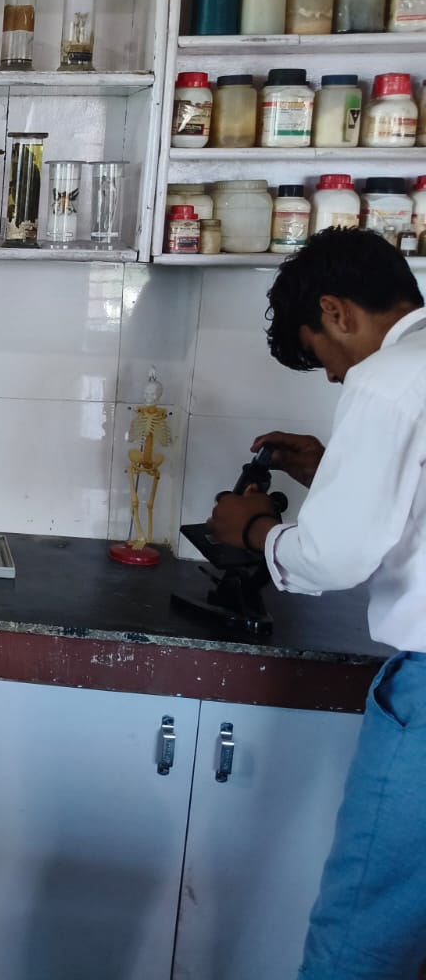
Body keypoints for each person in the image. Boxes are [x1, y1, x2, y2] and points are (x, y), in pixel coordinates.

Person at [209, 227, 426, 980]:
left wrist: (254, 529)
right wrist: (335, 469)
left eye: (324, 356)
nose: (335, 377)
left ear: (336, 311)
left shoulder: (391, 376)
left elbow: (334, 557)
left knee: (362, 930)